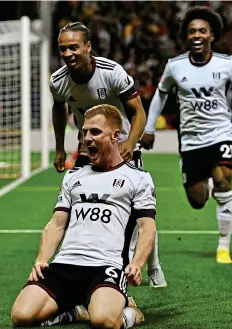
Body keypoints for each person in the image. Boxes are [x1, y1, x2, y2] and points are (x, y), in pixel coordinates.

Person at [141, 6, 232, 264]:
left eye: (202, 31)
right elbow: (161, 94)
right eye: (192, 31)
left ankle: (223, 246)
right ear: (186, 37)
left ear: (212, 35)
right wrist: (149, 129)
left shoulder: (227, 63)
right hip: (190, 140)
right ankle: (207, 181)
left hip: (220, 134)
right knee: (197, 201)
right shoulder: (175, 66)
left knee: (224, 182)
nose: (197, 35)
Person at [11, 105, 156, 329]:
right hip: (66, 264)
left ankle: (131, 312)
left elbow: (147, 227)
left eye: (95, 132)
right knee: (22, 316)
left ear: (115, 135)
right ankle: (76, 311)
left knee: (104, 322)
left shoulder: (138, 178)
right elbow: (57, 224)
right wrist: (41, 259)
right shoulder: (73, 176)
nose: (87, 138)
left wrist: (137, 264)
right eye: (85, 132)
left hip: (108, 265)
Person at [49, 22, 166, 288]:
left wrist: (131, 143)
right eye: (63, 48)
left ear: (88, 47)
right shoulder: (58, 81)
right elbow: (59, 111)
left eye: (73, 47)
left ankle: (153, 265)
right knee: (79, 205)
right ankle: (82, 260)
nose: (67, 53)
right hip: (87, 149)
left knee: (139, 211)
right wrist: (59, 147)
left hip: (122, 147)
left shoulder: (112, 72)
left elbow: (138, 112)